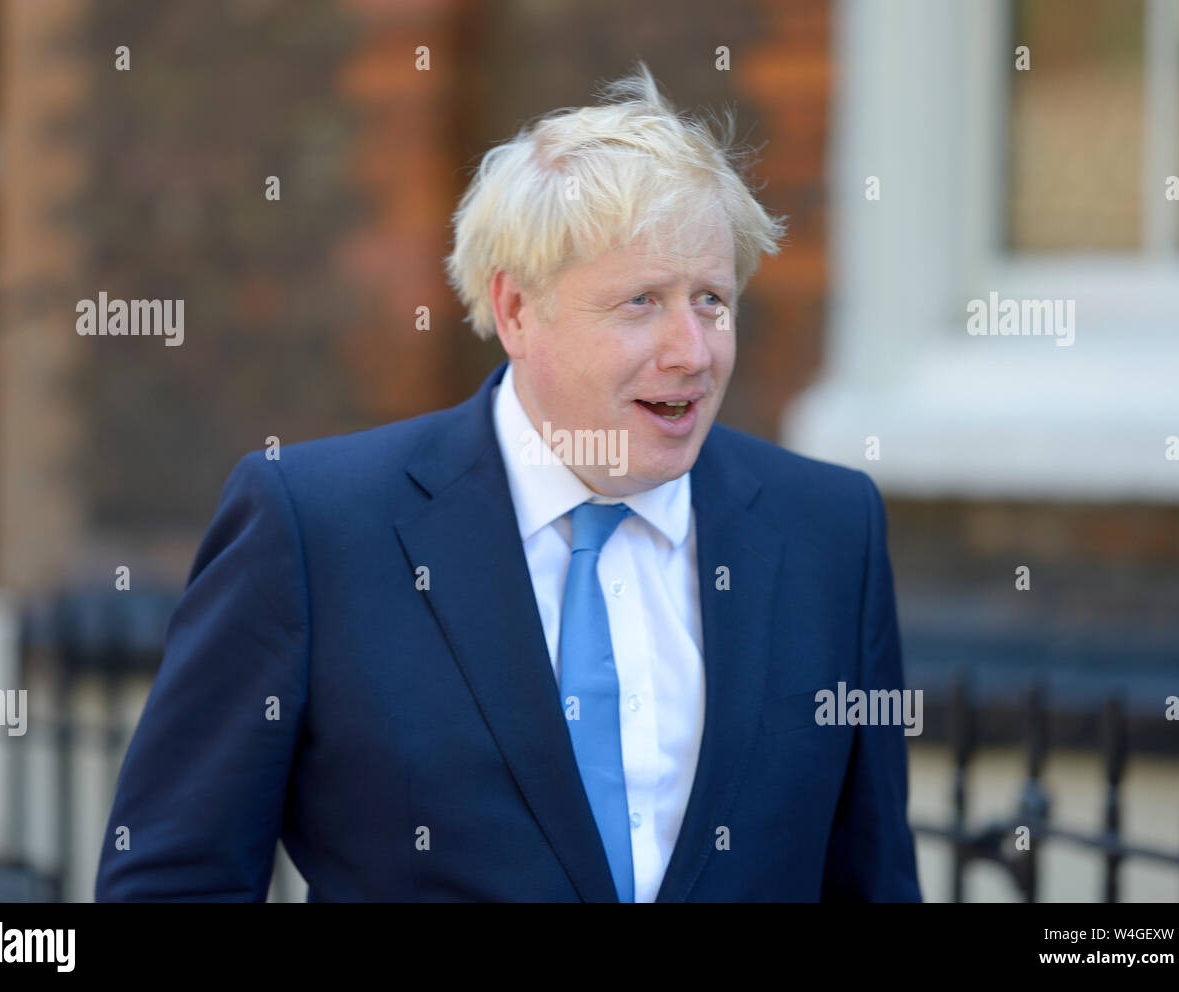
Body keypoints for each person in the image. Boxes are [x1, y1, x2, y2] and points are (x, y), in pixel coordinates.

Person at [95, 63, 921, 902]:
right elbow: (173, 880)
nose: (693, 351)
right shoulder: (316, 527)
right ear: (518, 310)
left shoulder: (829, 530)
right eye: (641, 301)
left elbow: (873, 879)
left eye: (710, 299)